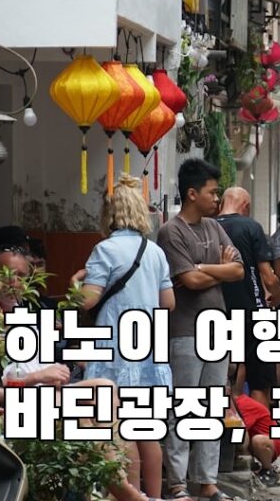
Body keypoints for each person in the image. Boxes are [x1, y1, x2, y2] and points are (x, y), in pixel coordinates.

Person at [0, 249, 164, 501]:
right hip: (20, 397)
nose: (16, 283)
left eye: (23, 276)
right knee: (84, 415)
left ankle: (132, 491)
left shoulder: (26, 312)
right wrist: (37, 378)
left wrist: (56, 371)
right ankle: (131, 496)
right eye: (9, 275)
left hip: (44, 390)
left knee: (106, 390)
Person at [70, 175, 176, 499]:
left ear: (109, 213)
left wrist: (74, 285)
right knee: (147, 430)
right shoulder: (155, 252)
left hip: (115, 351)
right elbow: (169, 303)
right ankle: (154, 497)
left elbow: (88, 300)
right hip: (148, 349)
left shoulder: (104, 249)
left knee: (121, 429)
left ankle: (130, 497)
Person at [157, 158, 244, 501]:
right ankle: (177, 483)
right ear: (192, 194)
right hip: (184, 331)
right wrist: (217, 269)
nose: (216, 198)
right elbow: (189, 281)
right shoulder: (171, 232)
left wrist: (204, 267)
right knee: (182, 407)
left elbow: (238, 270)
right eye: (212, 192)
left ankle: (207, 482)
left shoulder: (214, 227)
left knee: (211, 406)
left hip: (216, 330)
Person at [217, 187, 280, 408]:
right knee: (260, 381)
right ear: (246, 206)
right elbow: (268, 276)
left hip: (216, 313)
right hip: (251, 312)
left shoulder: (207, 226)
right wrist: (277, 296)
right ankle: (258, 426)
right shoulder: (251, 227)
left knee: (226, 376)